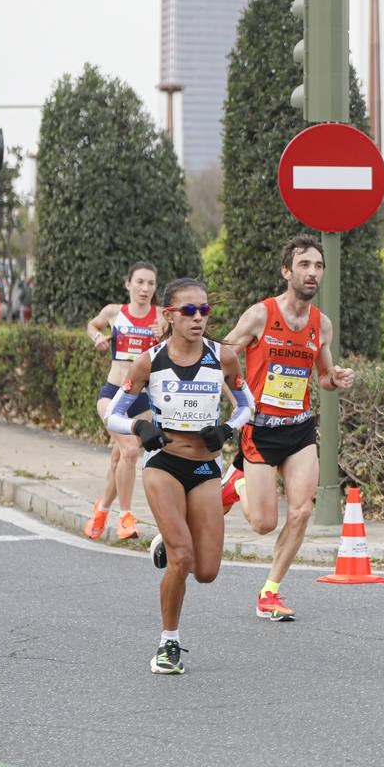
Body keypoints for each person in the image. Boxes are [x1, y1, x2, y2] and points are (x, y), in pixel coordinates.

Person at [106, 277, 253, 674]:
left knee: (206, 572)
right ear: (169, 316)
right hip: (164, 464)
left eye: (204, 310)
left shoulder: (222, 357)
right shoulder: (149, 361)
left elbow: (247, 405)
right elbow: (113, 413)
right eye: (189, 311)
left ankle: (166, 541)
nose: (198, 318)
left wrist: (228, 429)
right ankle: (167, 644)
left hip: (205, 468)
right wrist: (139, 429)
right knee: (183, 559)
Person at [220, 235, 355, 622]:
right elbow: (224, 359)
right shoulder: (260, 315)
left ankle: (270, 591)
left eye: (318, 266)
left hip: (299, 429)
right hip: (260, 431)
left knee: (300, 512)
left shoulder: (320, 324)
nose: (312, 273)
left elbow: (324, 376)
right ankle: (238, 484)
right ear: (286, 271)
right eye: (304, 265)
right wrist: (241, 408)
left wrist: (336, 376)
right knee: (264, 523)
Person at [83, 263, 163, 541]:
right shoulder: (114, 312)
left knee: (120, 458)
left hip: (144, 399)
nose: (145, 289)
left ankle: (102, 509)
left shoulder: (162, 317)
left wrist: (163, 334)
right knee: (129, 451)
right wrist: (97, 338)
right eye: (139, 282)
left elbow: (179, 345)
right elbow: (93, 324)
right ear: (127, 284)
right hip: (113, 395)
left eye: (151, 283)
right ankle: (125, 517)